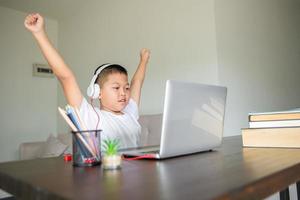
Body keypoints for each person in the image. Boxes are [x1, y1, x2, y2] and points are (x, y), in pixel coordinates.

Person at [24, 13, 150, 148]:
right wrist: (39, 32)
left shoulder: (130, 112)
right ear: (97, 92)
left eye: (126, 88)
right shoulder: (92, 116)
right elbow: (66, 77)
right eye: (116, 87)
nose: (123, 93)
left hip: (138, 168)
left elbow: (137, 82)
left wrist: (144, 60)